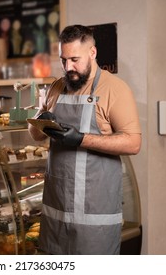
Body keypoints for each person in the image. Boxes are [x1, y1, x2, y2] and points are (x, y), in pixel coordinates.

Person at [28, 24, 142, 254]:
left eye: (75, 59)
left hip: (94, 213)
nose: (68, 67)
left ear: (93, 53)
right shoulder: (57, 87)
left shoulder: (115, 89)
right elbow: (36, 134)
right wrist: (42, 121)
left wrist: (80, 139)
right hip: (56, 210)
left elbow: (133, 143)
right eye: (63, 60)